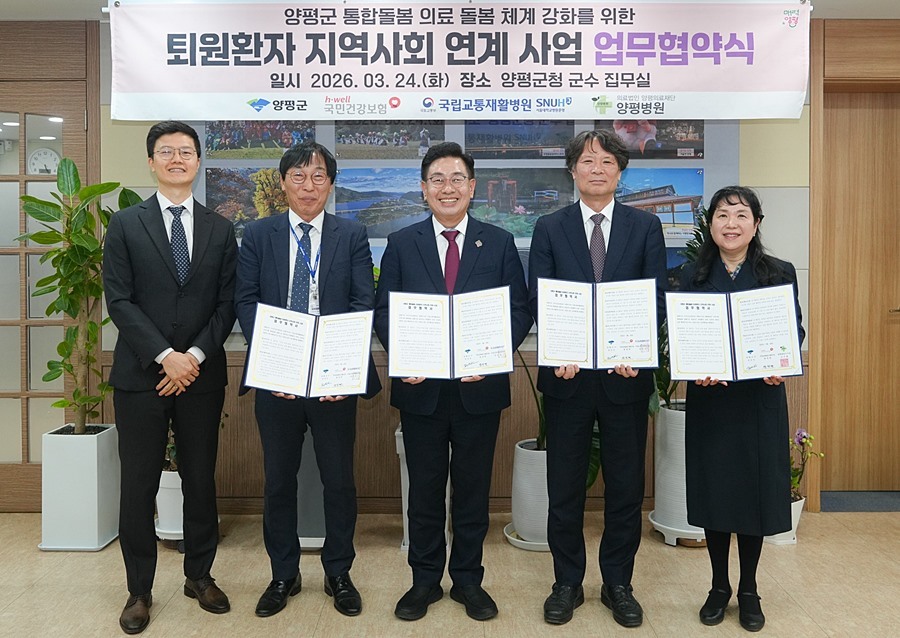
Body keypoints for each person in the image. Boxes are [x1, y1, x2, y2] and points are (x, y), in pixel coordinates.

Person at [374, 142, 532, 622]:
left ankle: (467, 580)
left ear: (472, 187)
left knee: (472, 491)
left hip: (478, 389)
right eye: (438, 179)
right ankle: (424, 581)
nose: (448, 188)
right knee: (423, 491)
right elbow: (385, 312)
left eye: (457, 179)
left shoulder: (498, 242)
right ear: (424, 189)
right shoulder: (402, 243)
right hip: (420, 389)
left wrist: (493, 355)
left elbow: (519, 310)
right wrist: (403, 355)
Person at [234, 141, 380, 620]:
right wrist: (275, 361)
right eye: (298, 176)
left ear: (330, 185)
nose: (308, 186)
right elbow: (246, 300)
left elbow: (362, 302)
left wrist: (343, 367)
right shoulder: (259, 234)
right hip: (278, 378)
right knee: (279, 481)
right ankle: (284, 574)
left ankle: (339, 572)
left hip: (334, 380)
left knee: (339, 480)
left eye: (318, 176)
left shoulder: (351, 234)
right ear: (283, 183)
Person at [528, 129, 666, 628]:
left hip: (625, 377)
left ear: (620, 172)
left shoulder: (644, 227)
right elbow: (541, 295)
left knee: (626, 488)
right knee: (565, 487)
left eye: (607, 161)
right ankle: (566, 583)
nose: (597, 169)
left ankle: (618, 584)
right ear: (573, 171)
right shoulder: (550, 227)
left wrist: (636, 349)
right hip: (567, 378)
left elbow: (655, 296)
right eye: (587, 161)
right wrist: (558, 348)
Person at [104, 121, 238, 634]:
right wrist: (166, 356)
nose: (177, 158)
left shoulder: (220, 228)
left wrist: (193, 357)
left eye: (186, 151)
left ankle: (199, 575)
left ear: (198, 161)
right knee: (138, 484)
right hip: (142, 376)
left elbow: (227, 303)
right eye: (167, 151)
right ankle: (139, 589)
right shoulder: (125, 224)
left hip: (200, 376)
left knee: (200, 478)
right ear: (151, 162)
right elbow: (119, 300)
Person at [680, 186, 804, 633]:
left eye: (740, 215)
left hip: (758, 400)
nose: (730, 224)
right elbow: (681, 334)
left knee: (753, 493)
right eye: (721, 215)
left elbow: (794, 329)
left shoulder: (779, 272)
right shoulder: (690, 275)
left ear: (756, 224)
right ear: (709, 223)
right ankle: (718, 586)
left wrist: (781, 361)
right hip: (711, 402)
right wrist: (694, 365)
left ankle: (749, 588)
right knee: (716, 492)